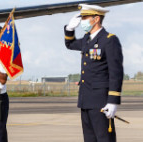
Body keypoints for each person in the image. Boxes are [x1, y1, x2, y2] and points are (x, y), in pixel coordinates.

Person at [64, 4, 123, 142]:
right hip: (85, 99)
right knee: (89, 139)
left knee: (104, 138)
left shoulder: (109, 40)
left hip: (100, 101)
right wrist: (69, 29)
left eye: (85, 17)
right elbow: (70, 44)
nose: (82, 21)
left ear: (96, 19)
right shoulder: (87, 39)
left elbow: (116, 72)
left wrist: (113, 101)